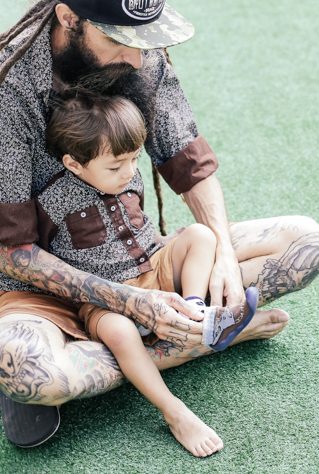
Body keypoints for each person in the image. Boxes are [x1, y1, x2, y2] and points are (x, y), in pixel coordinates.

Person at [0, 0, 319, 448]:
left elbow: (191, 167)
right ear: (69, 18)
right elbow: (13, 249)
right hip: (35, 290)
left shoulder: (142, 57)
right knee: (29, 370)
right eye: (118, 38)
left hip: (145, 266)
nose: (136, 55)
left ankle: (155, 347)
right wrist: (132, 303)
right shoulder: (10, 88)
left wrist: (219, 253)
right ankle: (216, 334)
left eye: (145, 38)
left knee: (305, 244)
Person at [41, 90, 260, 456]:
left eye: (133, 160)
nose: (128, 172)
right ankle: (174, 411)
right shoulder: (54, 200)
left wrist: (165, 240)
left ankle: (195, 315)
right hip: (106, 297)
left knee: (201, 235)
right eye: (115, 166)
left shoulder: (128, 175)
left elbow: (136, 227)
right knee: (121, 332)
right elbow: (40, 254)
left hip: (151, 267)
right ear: (74, 164)